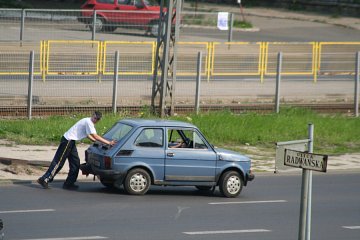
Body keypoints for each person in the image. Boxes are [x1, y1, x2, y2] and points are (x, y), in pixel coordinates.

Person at [37, 111, 116, 190]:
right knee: (59, 162)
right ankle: (44, 179)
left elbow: (88, 135)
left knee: (75, 163)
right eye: (95, 118)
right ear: (92, 115)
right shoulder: (88, 122)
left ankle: (69, 183)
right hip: (67, 141)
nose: (95, 120)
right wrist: (109, 142)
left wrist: (97, 142)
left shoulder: (88, 122)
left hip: (71, 142)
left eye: (97, 119)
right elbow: (95, 136)